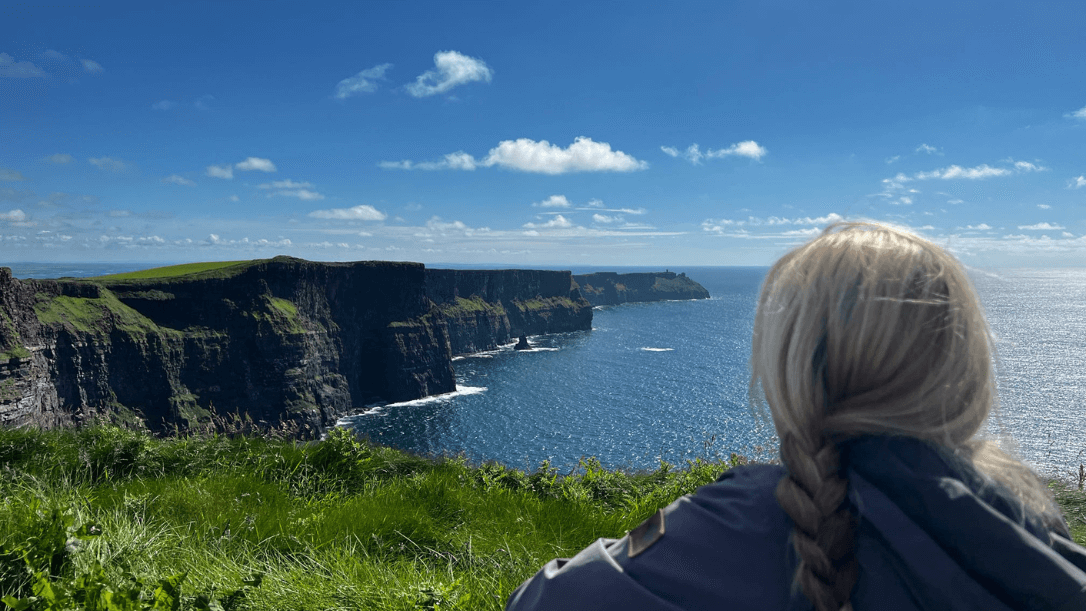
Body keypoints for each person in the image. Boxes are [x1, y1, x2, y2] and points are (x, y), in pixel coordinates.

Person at [506, 221, 1086, 611]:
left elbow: (543, 600)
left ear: (794, 359)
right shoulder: (1030, 525)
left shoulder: (734, 520)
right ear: (962, 363)